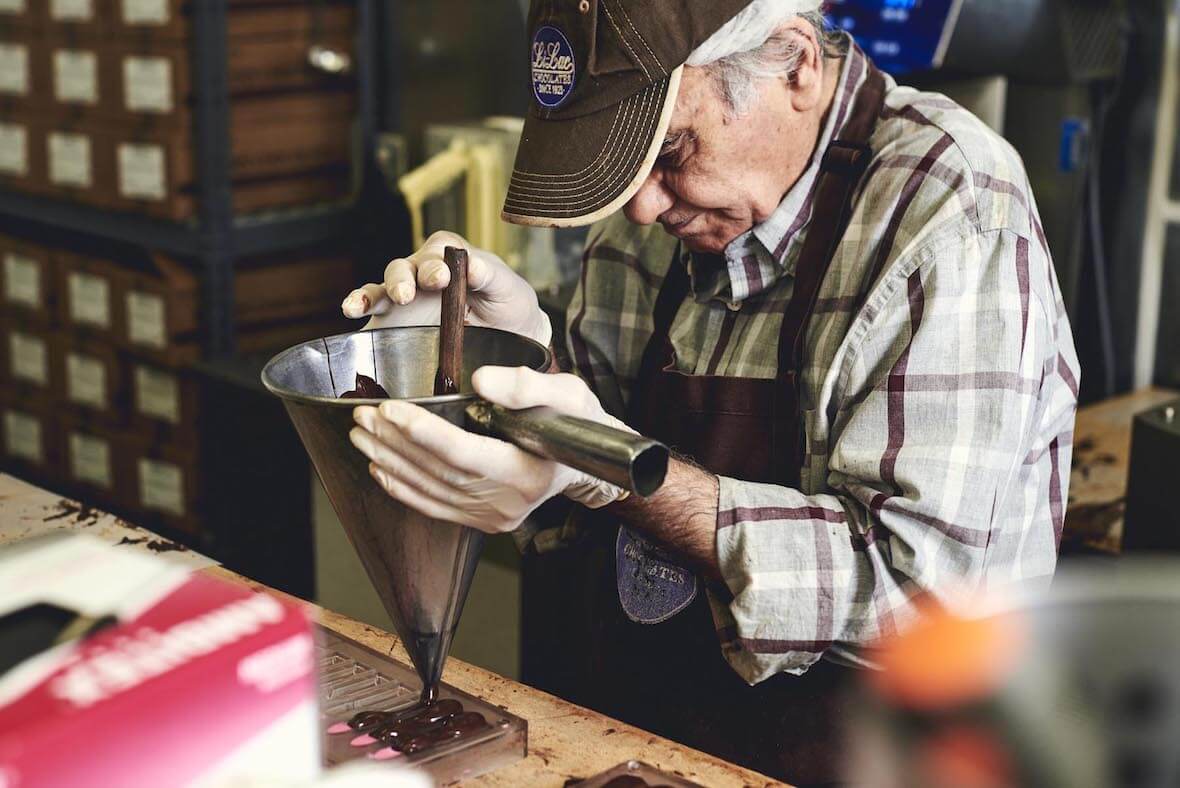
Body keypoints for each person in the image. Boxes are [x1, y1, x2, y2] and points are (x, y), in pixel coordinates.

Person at [342, 0, 1080, 783]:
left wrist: (604, 472)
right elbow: (585, 453)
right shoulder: (660, 206)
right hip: (640, 747)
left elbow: (921, 599)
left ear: (795, 62)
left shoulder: (953, 212)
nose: (641, 207)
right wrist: (508, 356)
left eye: (671, 151)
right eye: (625, 165)